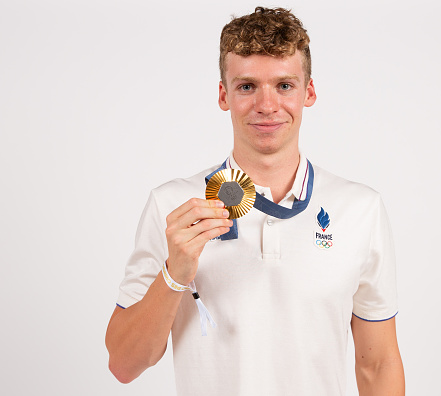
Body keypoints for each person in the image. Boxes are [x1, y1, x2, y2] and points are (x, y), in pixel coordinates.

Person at [106, 6, 405, 395]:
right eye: (247, 86)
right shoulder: (173, 206)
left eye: (284, 85)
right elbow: (124, 365)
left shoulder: (360, 209)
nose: (266, 105)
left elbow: (377, 364)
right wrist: (174, 274)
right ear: (223, 95)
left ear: (308, 93)